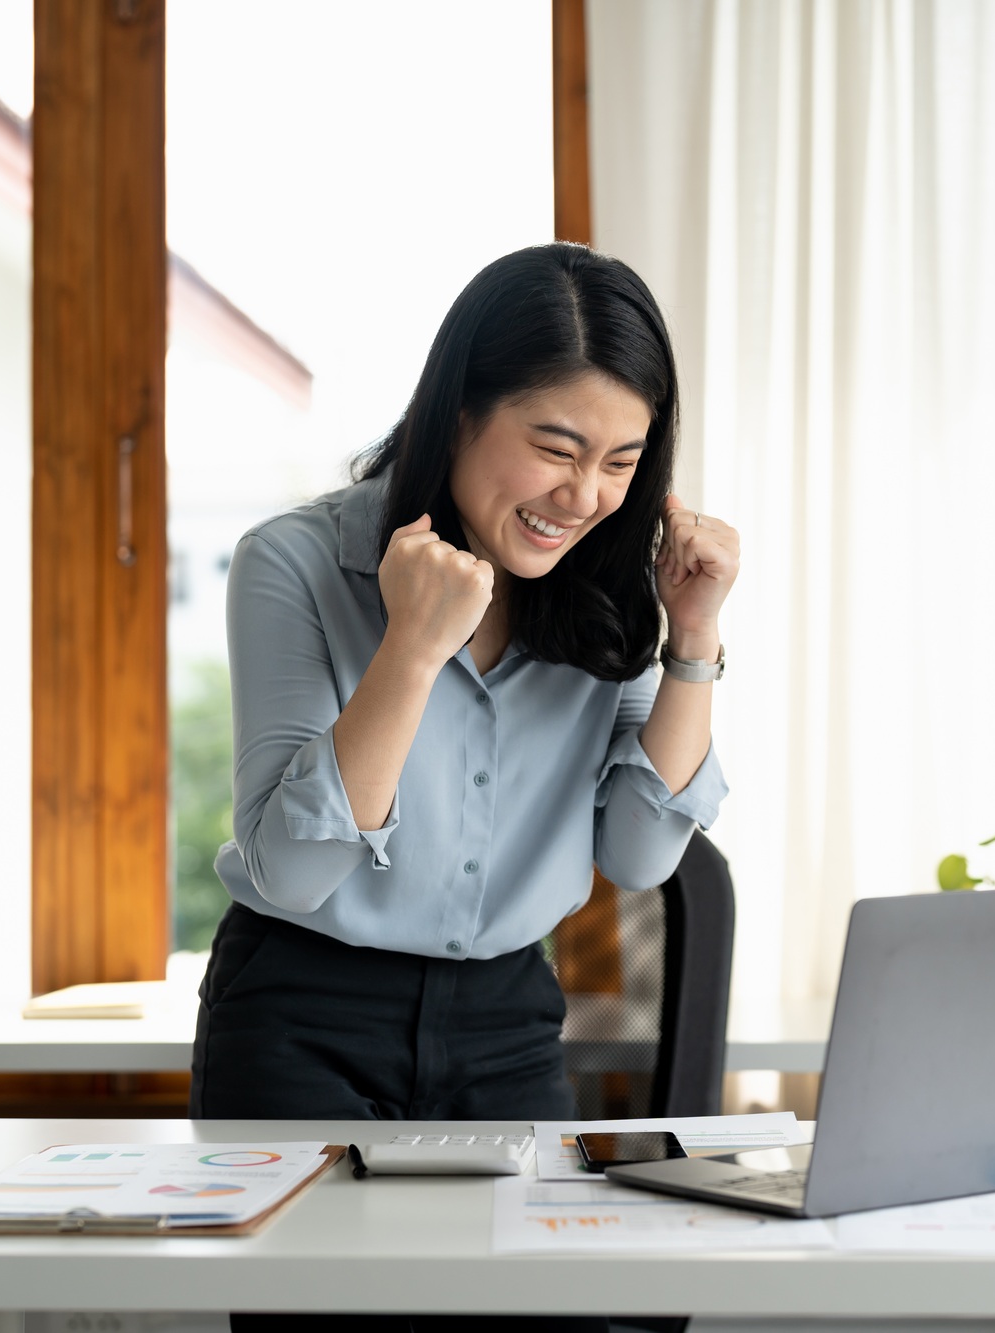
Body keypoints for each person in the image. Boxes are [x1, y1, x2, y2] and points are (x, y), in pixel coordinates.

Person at [191, 244, 738, 1333]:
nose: (582, 496)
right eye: (555, 447)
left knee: (545, 1324)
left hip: (504, 1026)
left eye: (622, 460)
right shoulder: (293, 564)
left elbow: (637, 856)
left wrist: (693, 639)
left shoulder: (608, 598)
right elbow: (292, 870)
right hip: (301, 1016)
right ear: (456, 415)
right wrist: (410, 649)